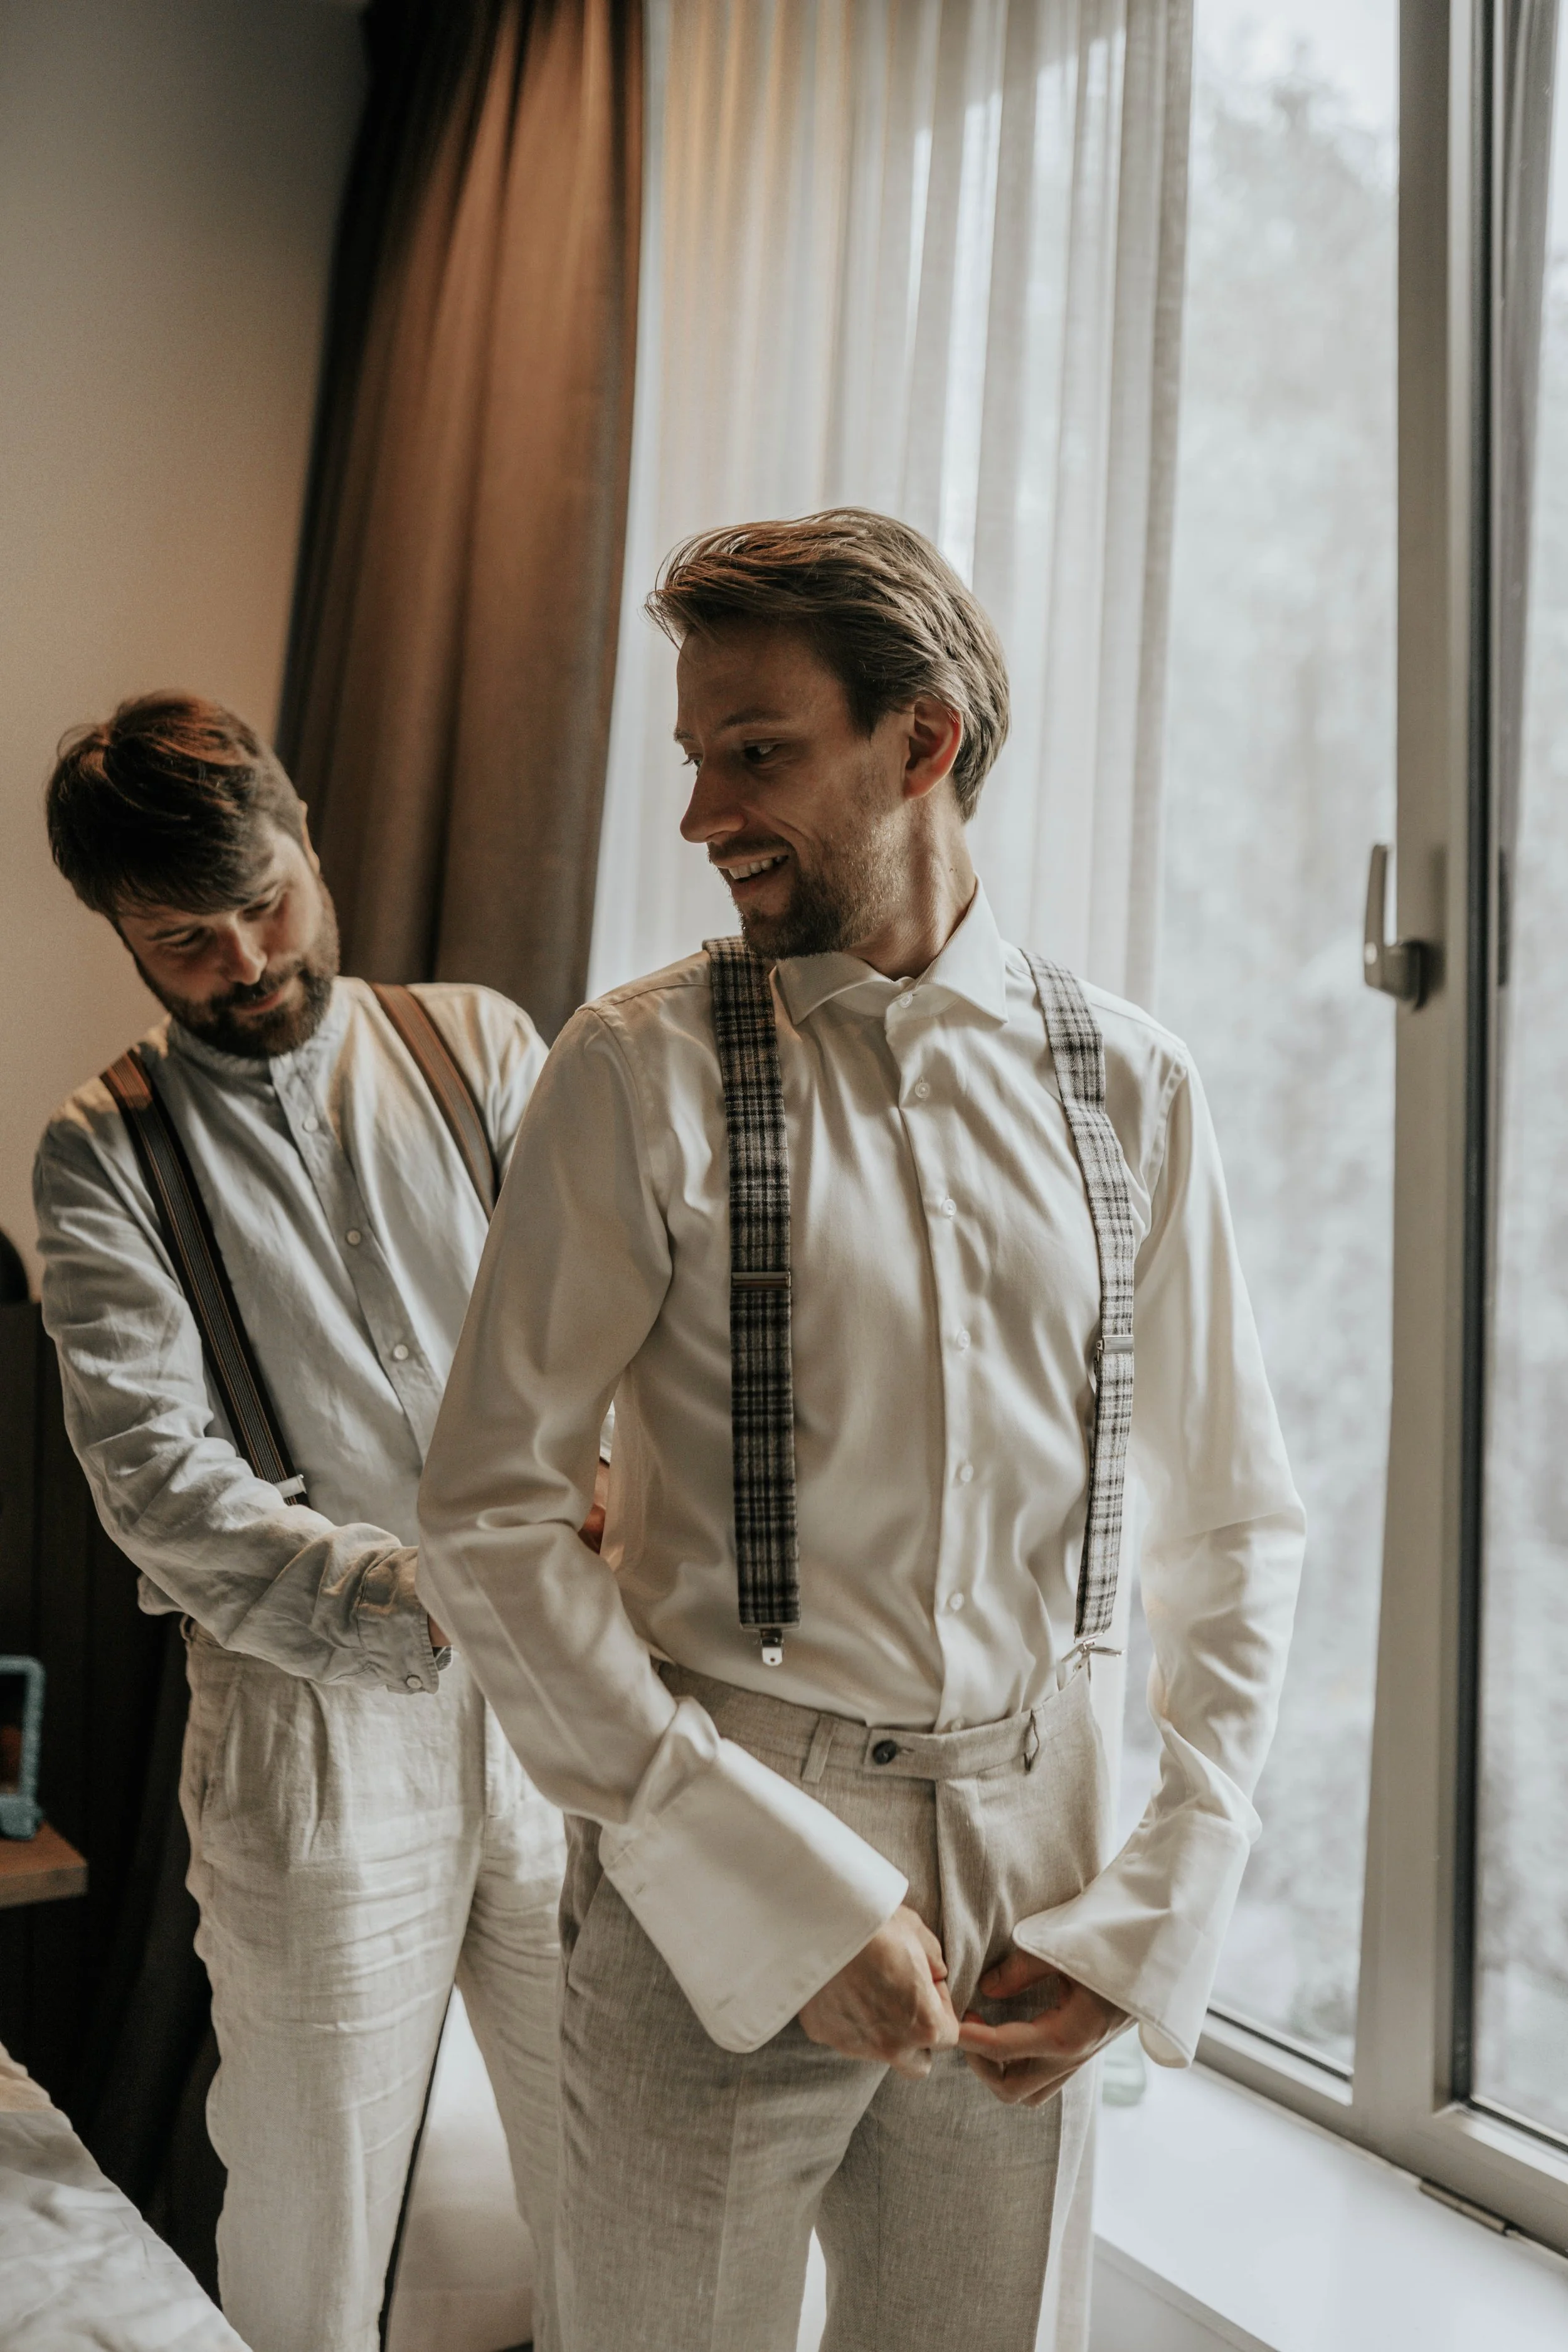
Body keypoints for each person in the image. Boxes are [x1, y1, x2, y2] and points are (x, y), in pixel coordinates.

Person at [418, 509, 1305, 2352]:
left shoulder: (1132, 1082)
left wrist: (1161, 1889)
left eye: (758, 754)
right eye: (695, 758)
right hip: (716, 1823)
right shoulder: (628, 1071)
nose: (702, 815)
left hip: (1037, 1853)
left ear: (924, 742)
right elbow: (490, 1517)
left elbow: (1235, 1523)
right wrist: (752, 1874)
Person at [34, 696, 570, 2352]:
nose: (249, 954)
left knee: (622, 2158)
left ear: (309, 838)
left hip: (566, 1708)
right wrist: (432, 1597)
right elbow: (158, 1485)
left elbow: (609, 1340)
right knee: (311, 2205)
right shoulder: (98, 1153)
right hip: (311, 1734)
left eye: (266, 897)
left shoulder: (483, 1046)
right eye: (185, 938)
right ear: (121, 934)